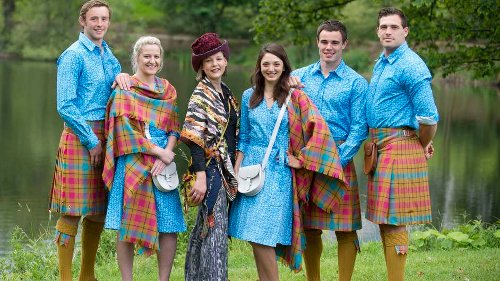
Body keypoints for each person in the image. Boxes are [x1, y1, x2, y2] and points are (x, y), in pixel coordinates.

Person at [228, 43, 350, 280]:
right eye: (266, 64)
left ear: (284, 66)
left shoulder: (296, 96)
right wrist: (236, 170)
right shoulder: (248, 96)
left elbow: (320, 131)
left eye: (276, 64)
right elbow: (243, 137)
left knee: (263, 235)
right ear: (259, 67)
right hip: (251, 170)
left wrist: (302, 159)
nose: (271, 69)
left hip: (280, 172)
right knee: (254, 236)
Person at [48, 1, 128, 280]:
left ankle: (87, 276)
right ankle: (66, 278)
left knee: (97, 211)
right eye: (94, 18)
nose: (99, 23)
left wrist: (121, 77)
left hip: (107, 135)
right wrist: (92, 141)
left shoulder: (110, 56)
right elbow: (65, 106)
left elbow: (117, 96)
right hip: (81, 137)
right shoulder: (73, 56)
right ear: (82, 21)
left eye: (104, 19)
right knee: (71, 212)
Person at [102, 36, 186, 281]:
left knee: (169, 225)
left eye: (156, 56)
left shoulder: (167, 89)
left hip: (163, 165)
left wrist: (168, 154)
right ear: (136, 58)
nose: (152, 61)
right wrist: (159, 152)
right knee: (126, 226)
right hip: (134, 163)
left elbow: (174, 127)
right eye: (146, 56)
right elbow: (125, 133)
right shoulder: (124, 90)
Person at [291, 20, 368, 281]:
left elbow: (359, 129)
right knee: (311, 229)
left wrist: (336, 159)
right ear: (317, 42)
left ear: (344, 44)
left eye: (335, 42)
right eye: (324, 42)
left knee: (346, 230)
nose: (329, 47)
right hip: (307, 162)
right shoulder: (298, 78)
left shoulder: (356, 83)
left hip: (339, 162)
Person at [366, 7, 439, 281]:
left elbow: (429, 117)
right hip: (381, 145)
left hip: (399, 146)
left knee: (395, 220)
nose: (388, 31)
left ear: (405, 31)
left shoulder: (411, 64)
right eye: (383, 26)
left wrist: (421, 142)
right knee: (386, 221)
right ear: (377, 31)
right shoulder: (383, 61)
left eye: (394, 27)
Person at [180, 32, 239, 281]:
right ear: (201, 67)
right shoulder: (200, 94)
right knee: (214, 234)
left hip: (224, 170)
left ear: (225, 61)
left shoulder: (225, 91)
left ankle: (195, 276)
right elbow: (194, 138)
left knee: (206, 231)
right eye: (208, 61)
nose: (215, 64)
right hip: (211, 172)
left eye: (218, 59)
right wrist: (201, 177)